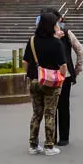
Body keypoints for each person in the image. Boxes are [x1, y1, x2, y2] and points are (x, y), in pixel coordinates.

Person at [23, 11, 68, 156]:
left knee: (36, 113)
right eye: (55, 23)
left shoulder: (32, 40)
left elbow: (25, 62)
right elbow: (63, 65)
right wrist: (61, 77)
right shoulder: (56, 43)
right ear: (51, 26)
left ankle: (33, 145)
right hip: (51, 82)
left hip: (35, 80)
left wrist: (31, 75)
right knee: (50, 113)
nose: (57, 26)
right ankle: (49, 145)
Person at [55, 19, 83, 146]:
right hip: (65, 75)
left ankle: (52, 137)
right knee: (63, 106)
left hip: (49, 76)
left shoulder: (42, 35)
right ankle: (63, 137)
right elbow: (80, 50)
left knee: (50, 108)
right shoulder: (67, 33)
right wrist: (77, 69)